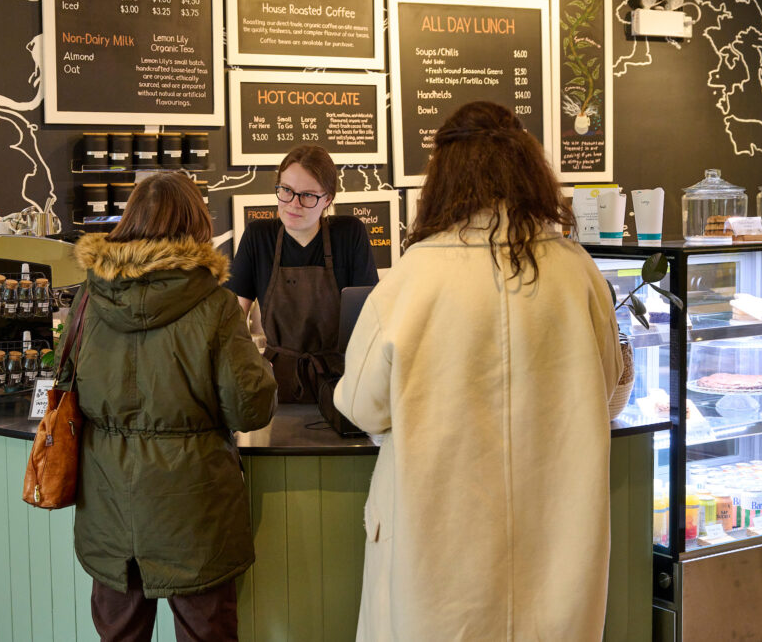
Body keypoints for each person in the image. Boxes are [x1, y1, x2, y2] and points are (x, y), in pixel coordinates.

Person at [334, 101, 623, 641]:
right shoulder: (576, 271)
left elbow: (360, 404)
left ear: (442, 178)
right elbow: (605, 382)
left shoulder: (415, 277)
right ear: (530, 169)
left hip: (438, 551)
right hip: (556, 543)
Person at [62, 172, 278, 641]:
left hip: (109, 504)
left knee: (119, 633)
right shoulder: (216, 305)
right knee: (206, 633)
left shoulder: (86, 300)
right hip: (194, 507)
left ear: (127, 222)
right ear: (196, 225)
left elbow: (66, 388)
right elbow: (250, 410)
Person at [226, 145, 379, 402]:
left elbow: (370, 318)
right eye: (286, 190)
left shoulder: (349, 234)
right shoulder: (258, 236)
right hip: (274, 385)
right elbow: (232, 319)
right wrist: (248, 365)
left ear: (328, 199)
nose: (293, 204)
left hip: (339, 383)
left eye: (307, 195)